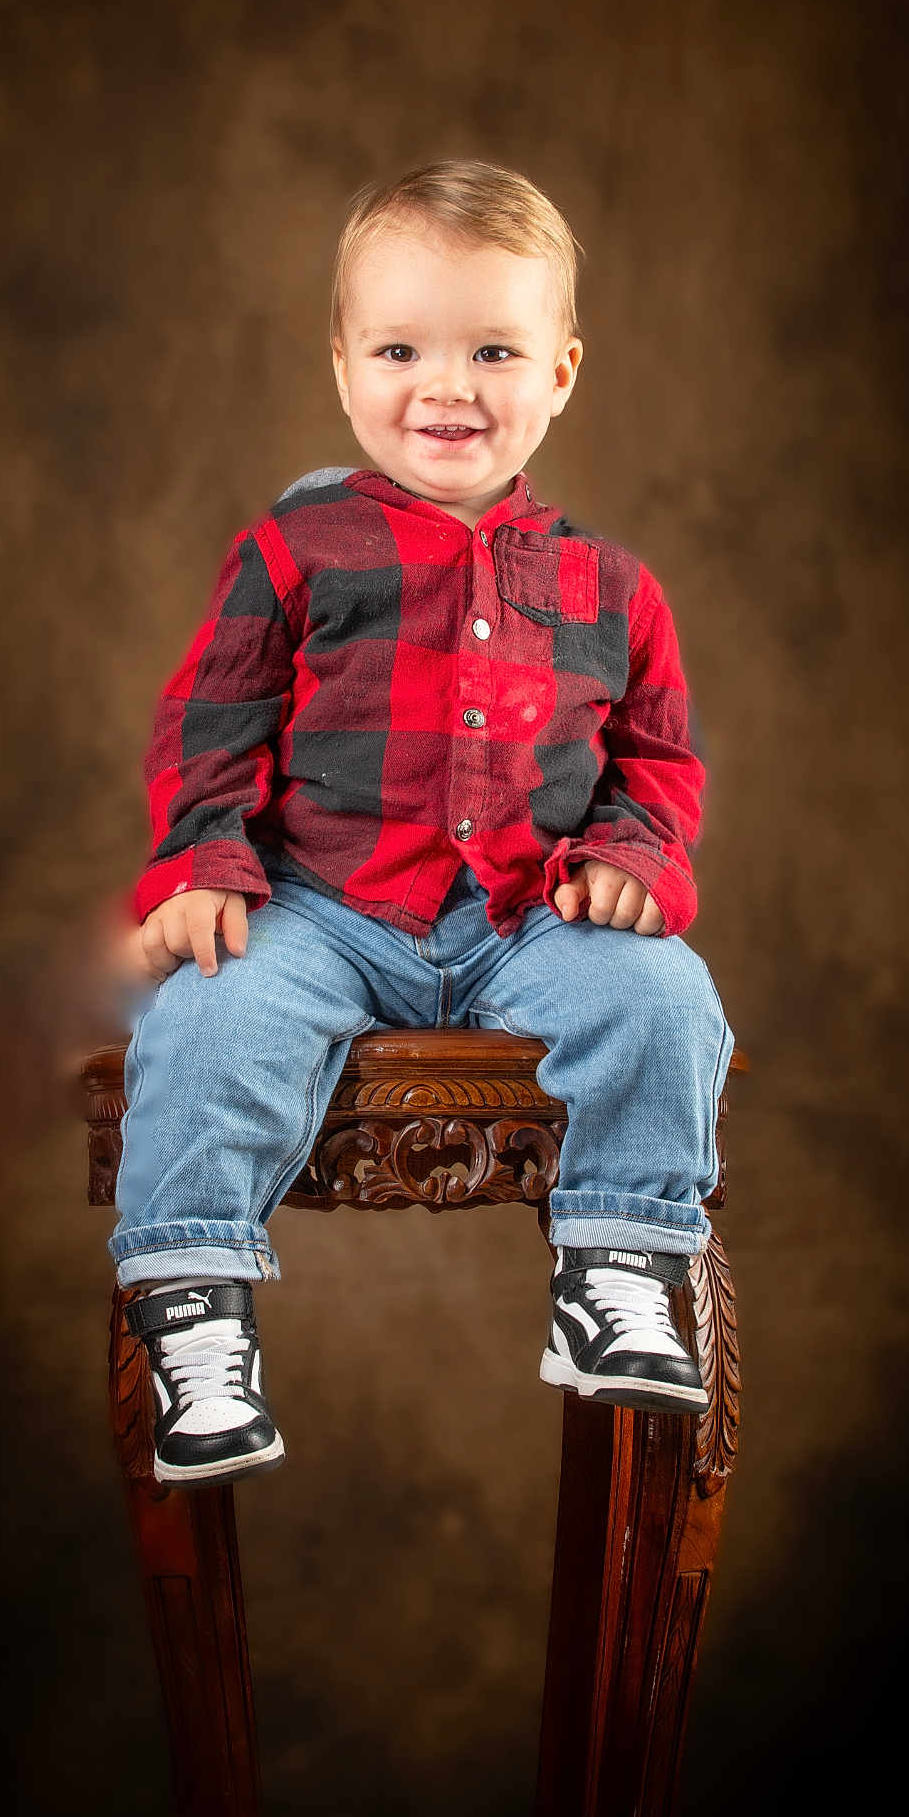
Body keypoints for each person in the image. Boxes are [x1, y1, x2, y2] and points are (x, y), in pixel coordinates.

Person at [111, 160, 736, 1486]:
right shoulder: (298, 548)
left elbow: (659, 760)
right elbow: (209, 719)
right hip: (321, 910)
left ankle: (618, 1264)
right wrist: (205, 862)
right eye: (402, 349)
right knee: (206, 1014)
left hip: (527, 918)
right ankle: (195, 1310)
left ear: (561, 372)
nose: (447, 388)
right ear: (344, 367)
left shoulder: (611, 589)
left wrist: (630, 855)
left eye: (493, 350)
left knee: (669, 1002)